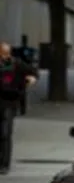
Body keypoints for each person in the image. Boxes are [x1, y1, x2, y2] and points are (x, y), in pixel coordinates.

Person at [0, 41, 38, 174]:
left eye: (7, 53)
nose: (5, 56)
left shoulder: (16, 64)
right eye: (3, 54)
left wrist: (31, 78)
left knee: (5, 133)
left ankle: (4, 164)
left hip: (9, 102)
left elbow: (33, 71)